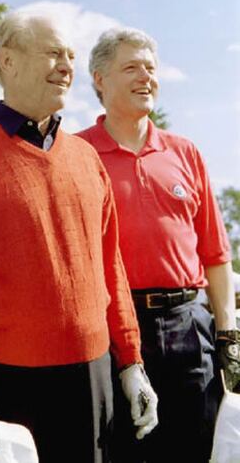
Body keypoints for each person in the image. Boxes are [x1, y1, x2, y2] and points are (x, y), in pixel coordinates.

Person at [0, 12, 158, 463]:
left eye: (69, 55)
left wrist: (131, 364)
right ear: (7, 60)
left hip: (92, 377)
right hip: (0, 378)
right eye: (52, 53)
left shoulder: (86, 157)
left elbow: (111, 266)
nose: (66, 65)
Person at [77, 27, 240, 463]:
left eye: (150, 68)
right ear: (99, 79)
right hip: (116, 332)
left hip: (190, 328)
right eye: (131, 67)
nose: (145, 77)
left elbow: (216, 254)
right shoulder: (77, 154)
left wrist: (228, 336)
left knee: (195, 448)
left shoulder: (184, 152)